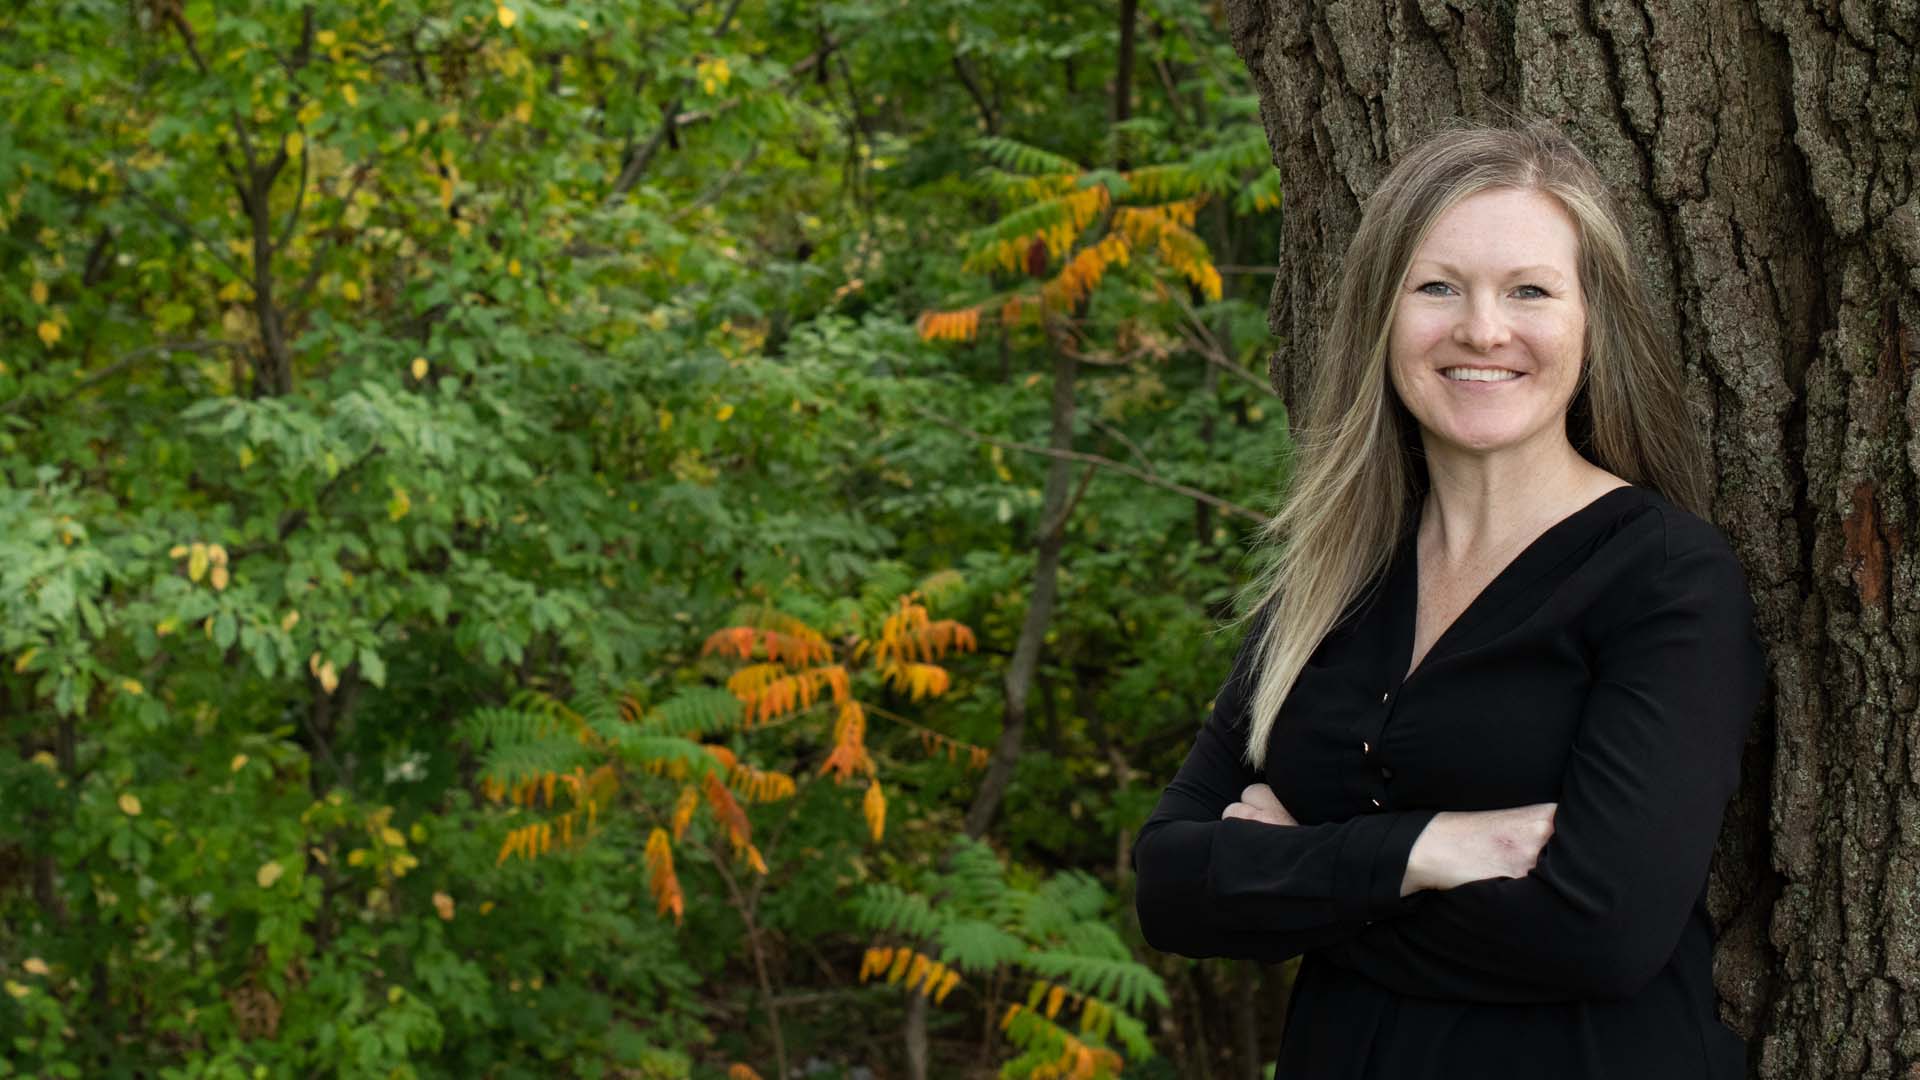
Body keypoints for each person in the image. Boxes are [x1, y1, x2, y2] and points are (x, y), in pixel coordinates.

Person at [1130, 119, 1767, 1080]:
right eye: (1438, 287)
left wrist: (1301, 877)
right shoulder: (1338, 575)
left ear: (1593, 322)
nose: (1481, 329)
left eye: (1530, 292)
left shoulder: (1665, 576)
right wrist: (1428, 848)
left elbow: (1603, 935)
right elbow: (1172, 884)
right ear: (1382, 316)